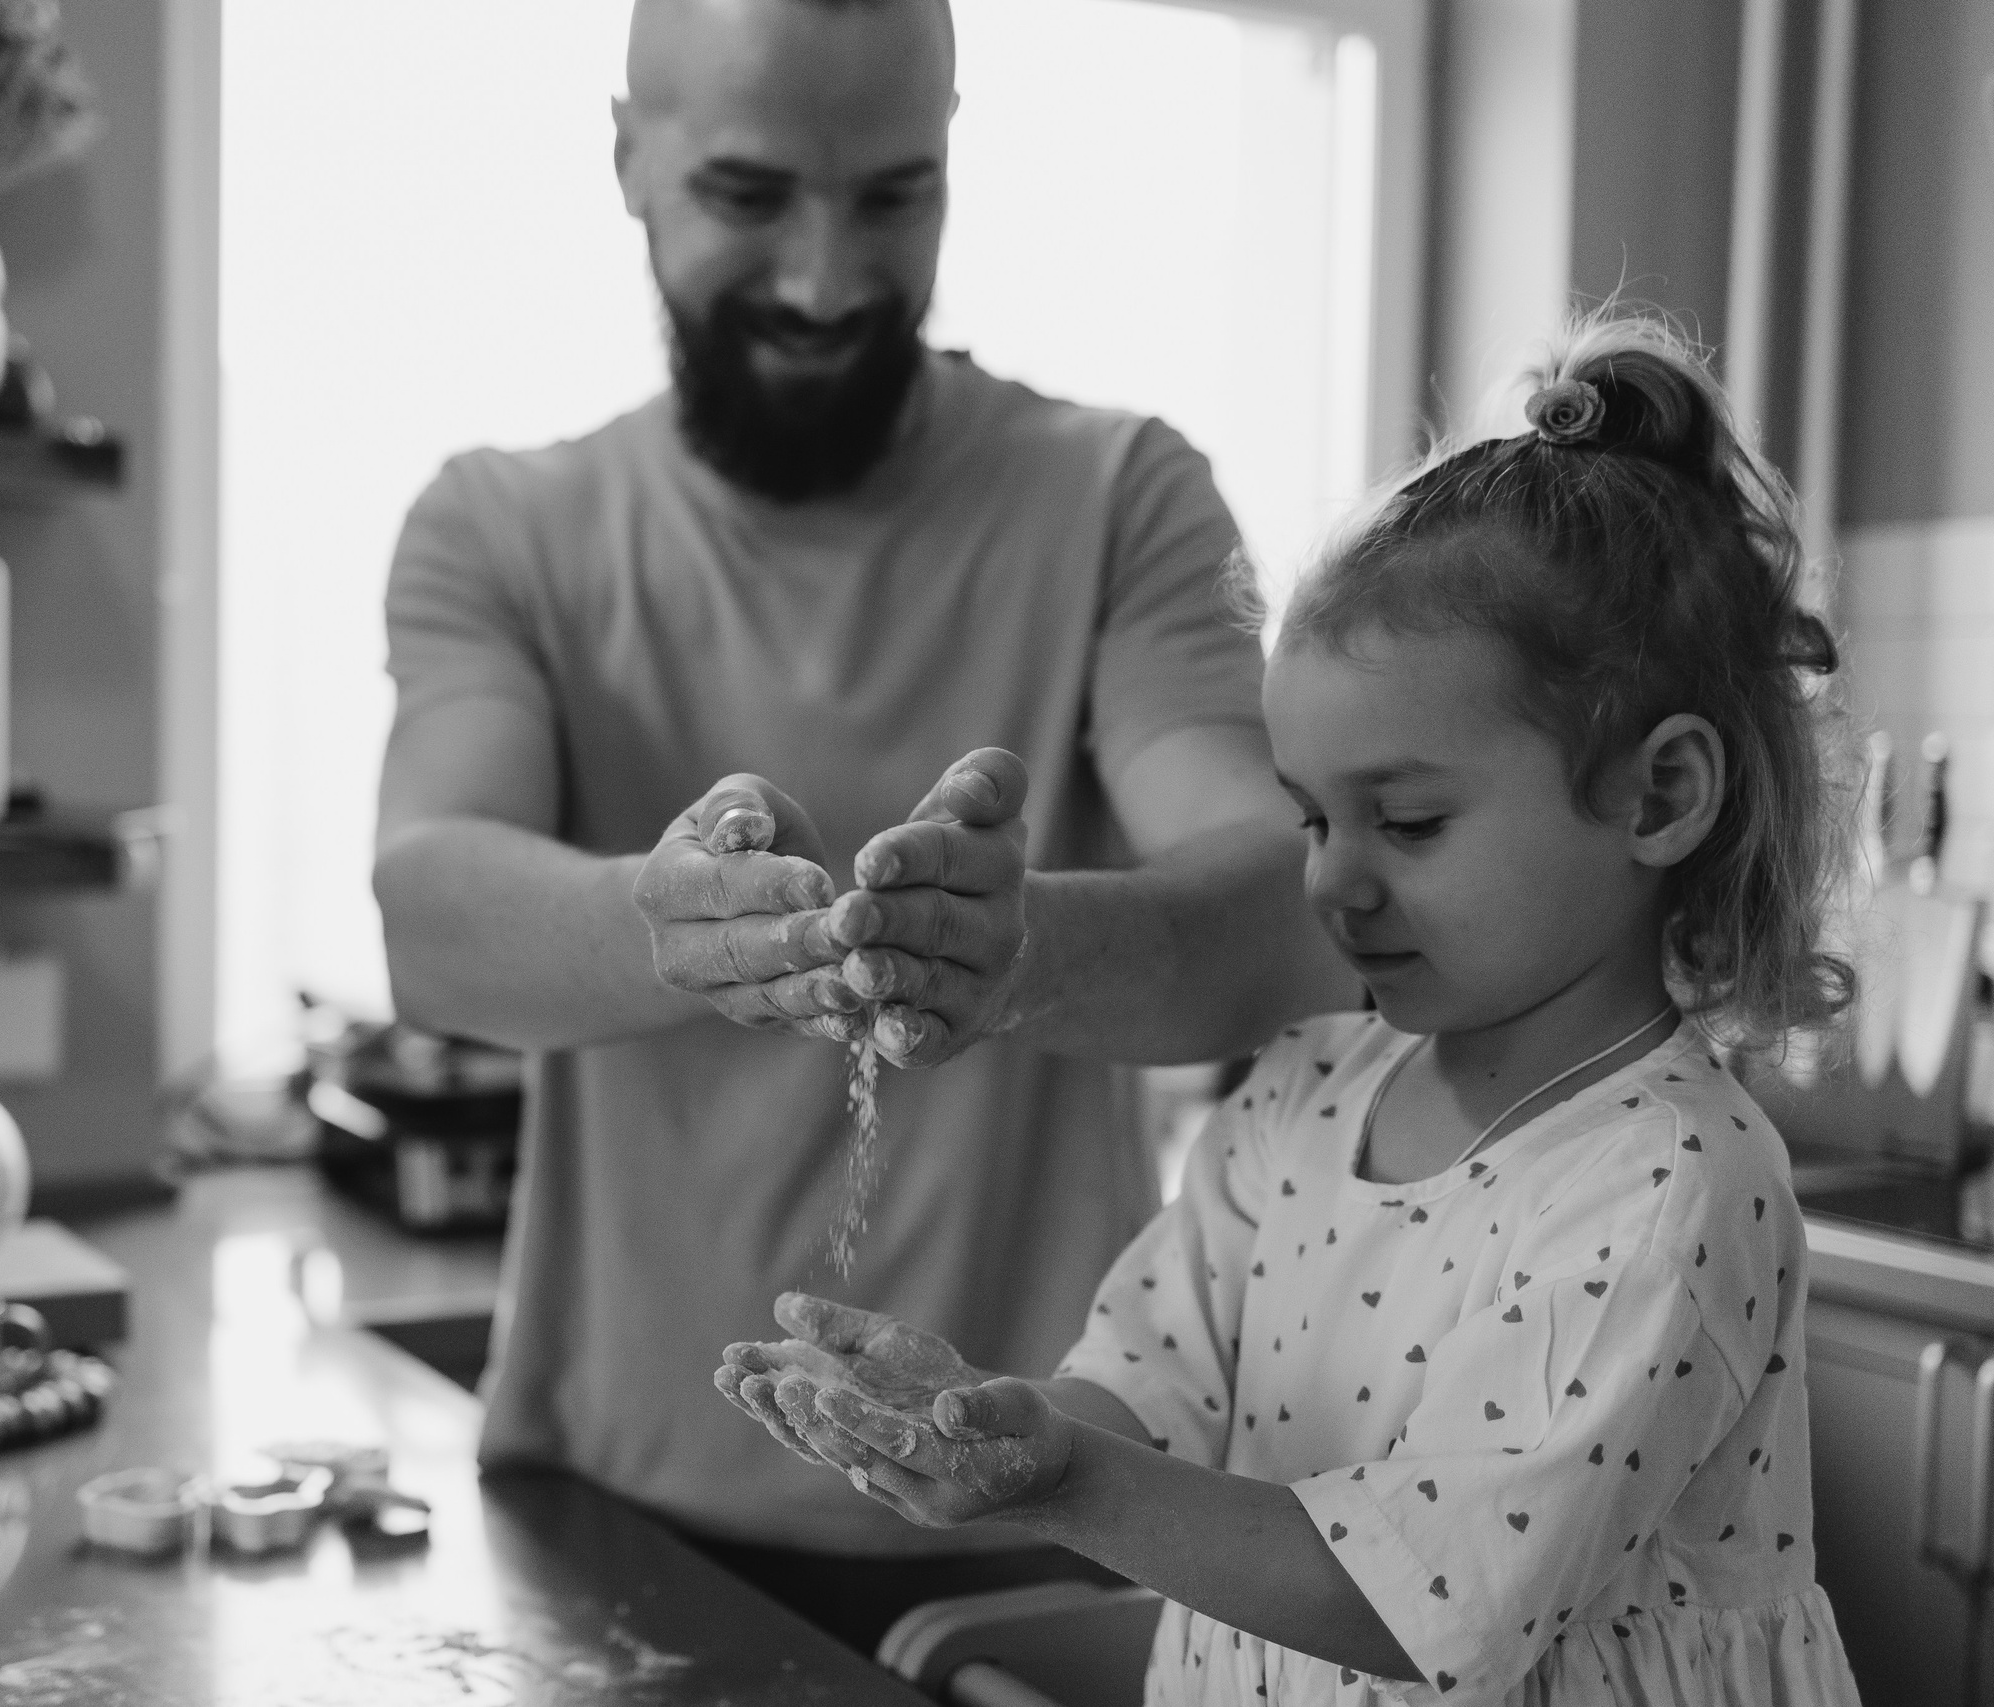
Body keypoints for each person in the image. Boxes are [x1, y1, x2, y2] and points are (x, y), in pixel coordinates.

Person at [373, 0, 1349, 1650]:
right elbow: (430, 912)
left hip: (1048, 1523)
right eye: (750, 196)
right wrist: (664, 925)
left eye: (893, 197)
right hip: (615, 1526)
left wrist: (1027, 946)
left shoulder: (1120, 499)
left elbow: (1281, 907)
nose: (827, 279)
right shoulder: (503, 528)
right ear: (630, 158)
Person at [719, 317, 1866, 1706]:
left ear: (1660, 797)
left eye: (1410, 820)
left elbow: (1422, 1597)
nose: (1331, 879)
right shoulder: (1310, 1093)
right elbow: (1148, 1394)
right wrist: (994, 1436)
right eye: (1314, 816)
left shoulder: (1672, 1186)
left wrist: (1067, 1484)